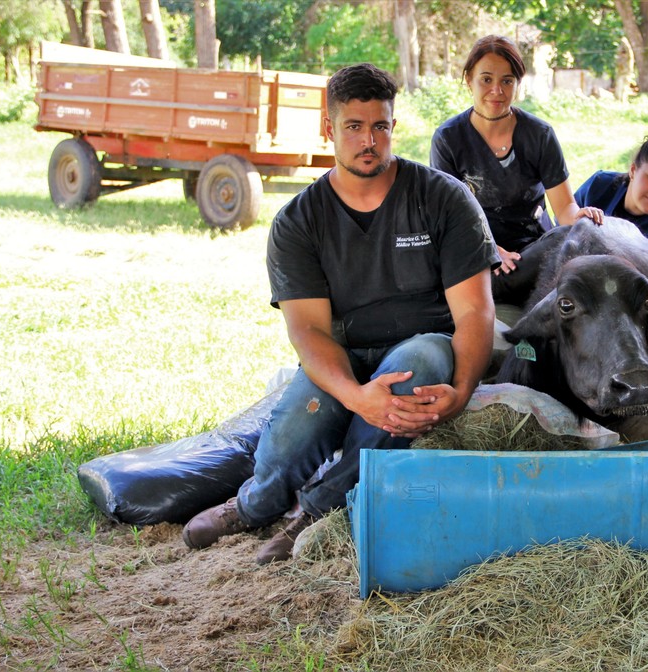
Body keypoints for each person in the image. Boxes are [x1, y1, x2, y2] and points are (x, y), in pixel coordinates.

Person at [181, 63, 500, 564]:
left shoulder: (444, 199)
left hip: (423, 344)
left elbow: (476, 313)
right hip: (343, 352)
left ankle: (316, 511)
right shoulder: (299, 221)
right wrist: (355, 396)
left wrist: (459, 395)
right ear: (329, 129)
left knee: (416, 371)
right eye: (354, 126)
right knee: (291, 433)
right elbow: (307, 330)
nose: (369, 140)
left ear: (394, 127)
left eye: (381, 126)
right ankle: (254, 504)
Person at [430, 34, 604, 305]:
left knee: (566, 239)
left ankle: (495, 290)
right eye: (486, 79)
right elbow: (448, 220)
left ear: (517, 83)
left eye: (507, 81)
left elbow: (564, 210)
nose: (497, 91)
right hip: (476, 248)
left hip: (532, 250)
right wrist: (490, 251)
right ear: (469, 81)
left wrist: (580, 217)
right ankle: (500, 288)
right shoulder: (448, 138)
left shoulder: (539, 135)